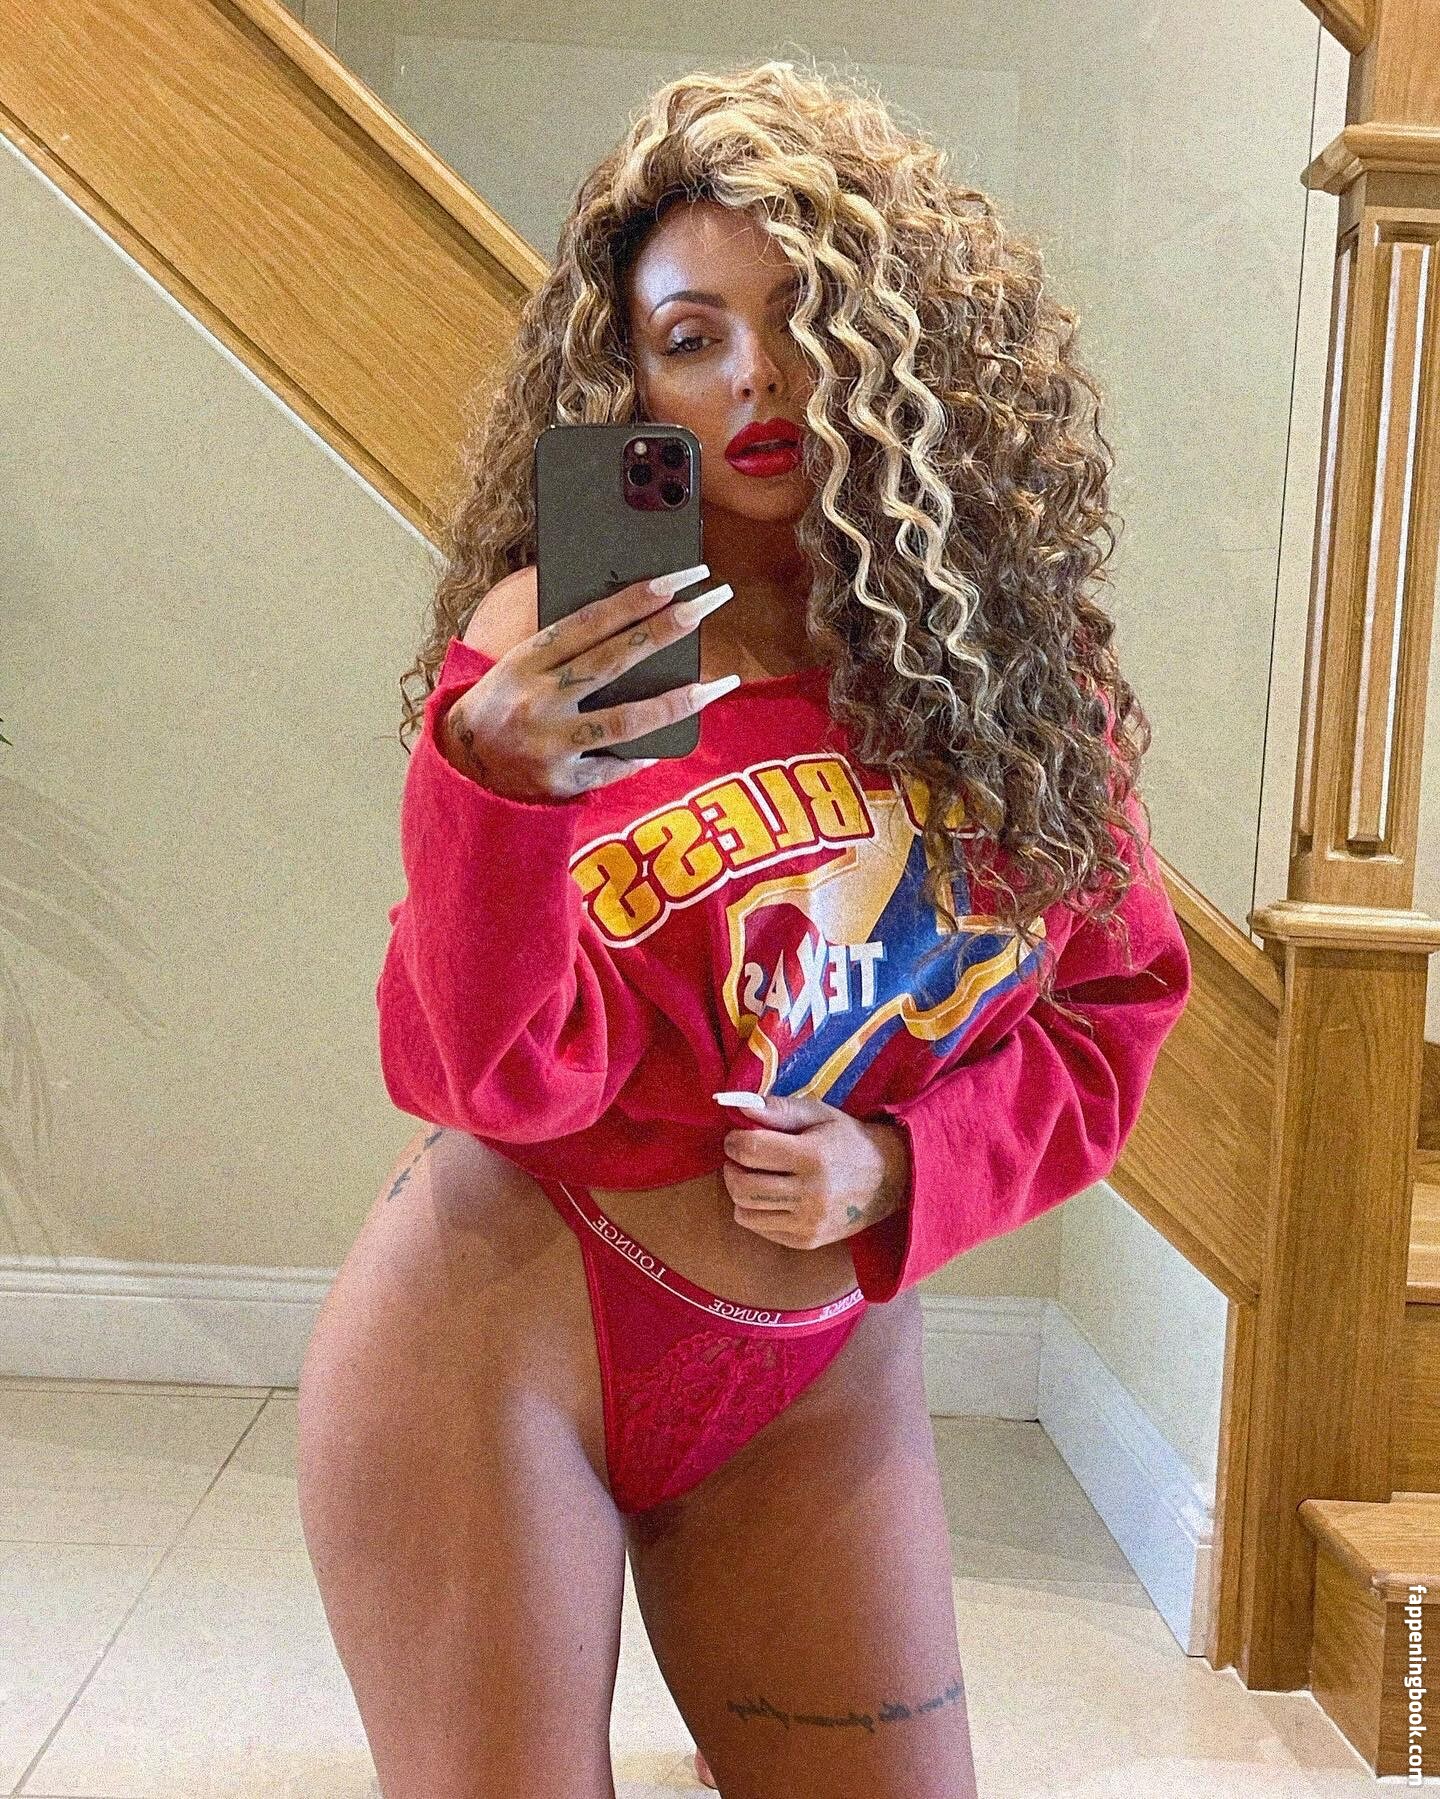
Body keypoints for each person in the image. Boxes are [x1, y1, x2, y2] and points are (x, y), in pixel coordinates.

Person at [296, 57, 1192, 1799]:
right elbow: (481, 1073)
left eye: (802, 317)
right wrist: (491, 789)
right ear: (625, 380)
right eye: (689, 338)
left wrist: (903, 1166)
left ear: (902, 343)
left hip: (820, 1366)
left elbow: (1111, 1014)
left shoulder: (1009, 676)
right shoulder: (562, 649)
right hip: (506, 1338)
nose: (754, 379)